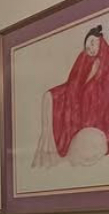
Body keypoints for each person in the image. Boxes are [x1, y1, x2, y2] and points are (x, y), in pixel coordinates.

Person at [33, 25, 109, 168]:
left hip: (93, 112)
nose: (91, 49)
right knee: (50, 96)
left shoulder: (105, 65)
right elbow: (74, 84)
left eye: (93, 43)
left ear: (101, 41)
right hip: (77, 99)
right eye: (87, 47)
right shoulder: (84, 59)